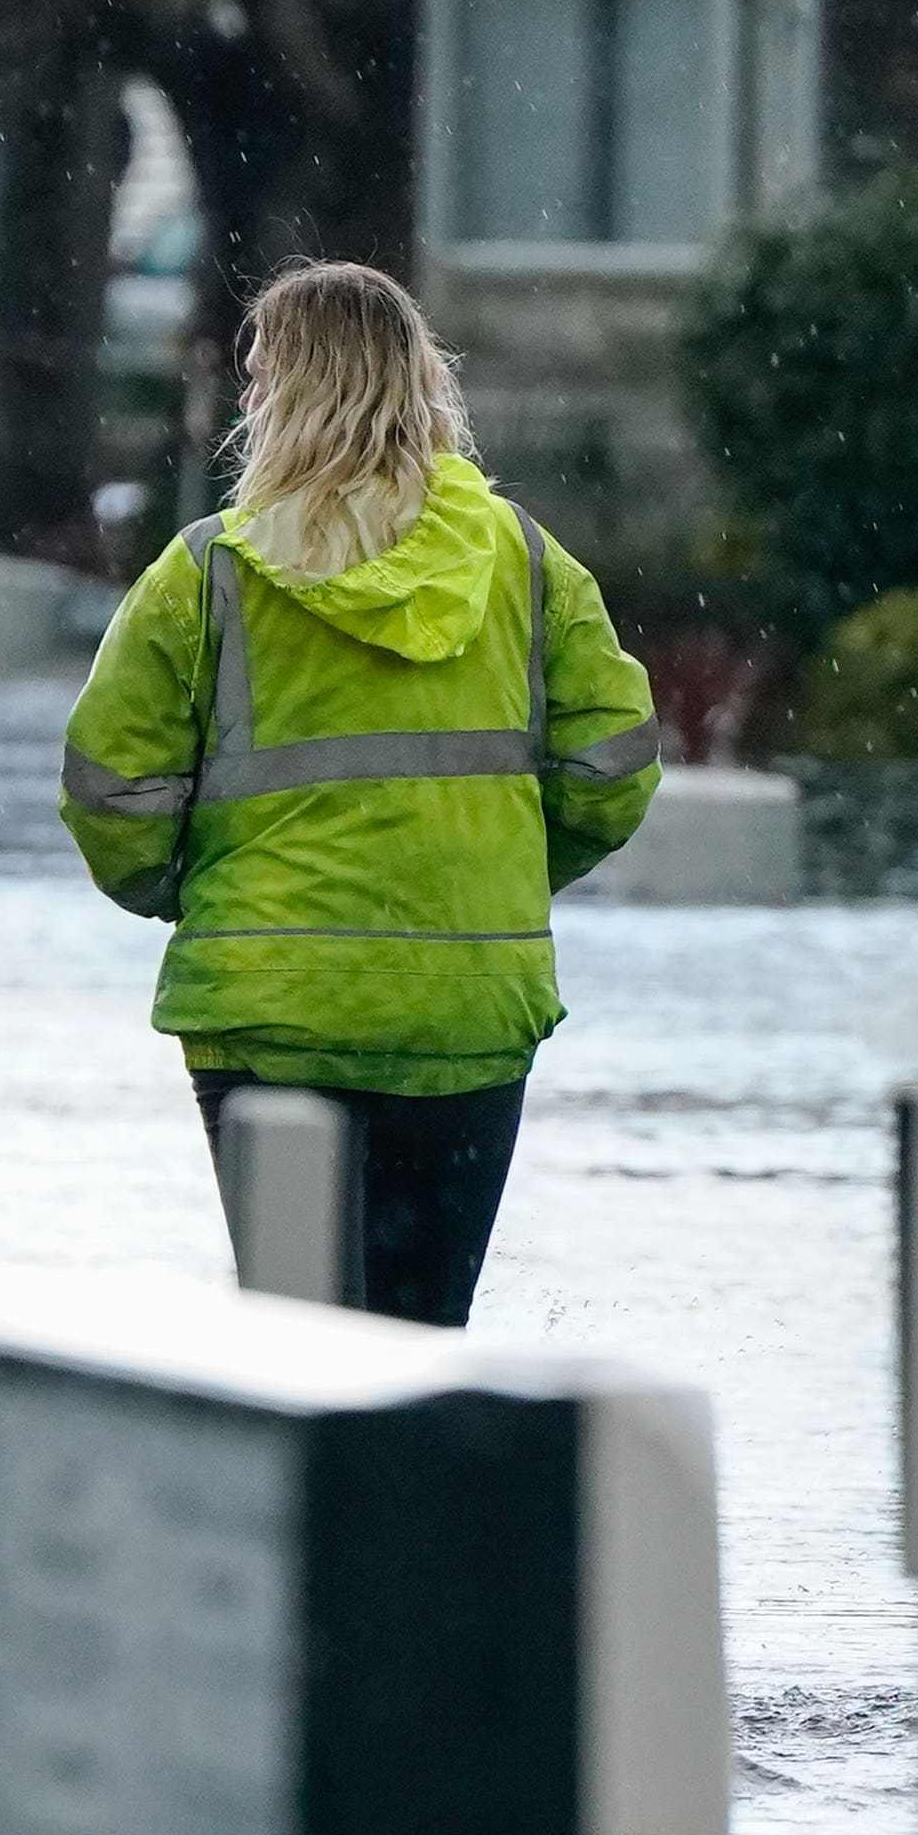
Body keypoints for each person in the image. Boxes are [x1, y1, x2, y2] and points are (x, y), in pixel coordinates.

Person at [59, 262, 659, 1326]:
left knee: (298, 1343)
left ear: (286, 397)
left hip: (269, 1010)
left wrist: (194, 895)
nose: (244, 402)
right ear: (421, 386)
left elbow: (112, 788)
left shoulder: (209, 575)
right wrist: (501, 869)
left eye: (256, 378)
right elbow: (615, 763)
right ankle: (426, 1497)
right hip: (466, 1009)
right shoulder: (527, 564)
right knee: (424, 1340)